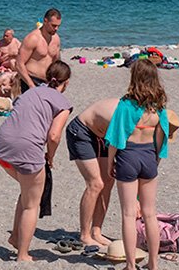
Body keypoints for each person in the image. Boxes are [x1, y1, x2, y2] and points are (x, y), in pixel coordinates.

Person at [0, 60, 72, 262]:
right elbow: (54, 136)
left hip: (2, 145)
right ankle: (22, 254)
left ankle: (15, 236)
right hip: (26, 148)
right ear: (67, 82)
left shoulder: (30, 92)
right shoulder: (62, 103)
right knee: (32, 205)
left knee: (27, 192)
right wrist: (50, 157)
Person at [106, 59, 170, 270]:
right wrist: (156, 162)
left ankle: (131, 265)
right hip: (148, 157)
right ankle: (153, 262)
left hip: (128, 156)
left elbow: (116, 138)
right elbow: (161, 139)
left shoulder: (126, 105)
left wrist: (109, 163)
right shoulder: (159, 108)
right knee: (150, 214)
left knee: (128, 214)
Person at [66, 99, 120, 253]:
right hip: (81, 131)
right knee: (95, 184)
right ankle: (84, 234)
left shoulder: (144, 118)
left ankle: (96, 231)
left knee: (109, 180)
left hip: (102, 135)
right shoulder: (123, 115)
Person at [14, 8, 63, 92]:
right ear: (45, 21)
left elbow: (56, 62)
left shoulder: (56, 39)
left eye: (58, 26)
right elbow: (19, 64)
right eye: (54, 25)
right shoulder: (33, 38)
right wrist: (31, 85)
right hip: (31, 80)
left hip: (48, 82)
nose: (56, 29)